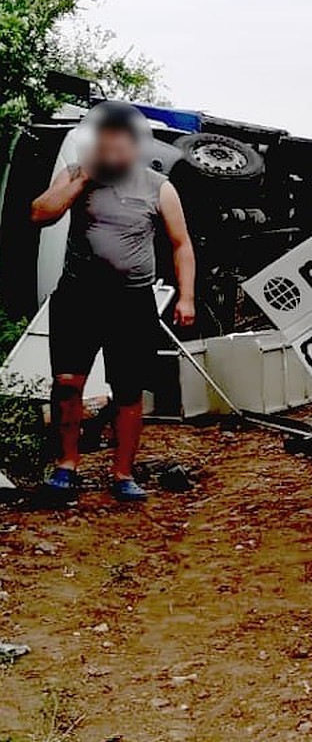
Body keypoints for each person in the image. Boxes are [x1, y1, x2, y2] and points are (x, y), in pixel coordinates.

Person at [30, 101, 196, 502]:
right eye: (106, 144)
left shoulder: (159, 186)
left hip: (131, 301)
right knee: (67, 384)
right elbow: (39, 214)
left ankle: (123, 473)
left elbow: (181, 245)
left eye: (121, 146)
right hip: (78, 297)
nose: (113, 152)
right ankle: (66, 466)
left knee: (128, 389)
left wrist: (186, 297)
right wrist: (83, 178)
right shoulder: (75, 173)